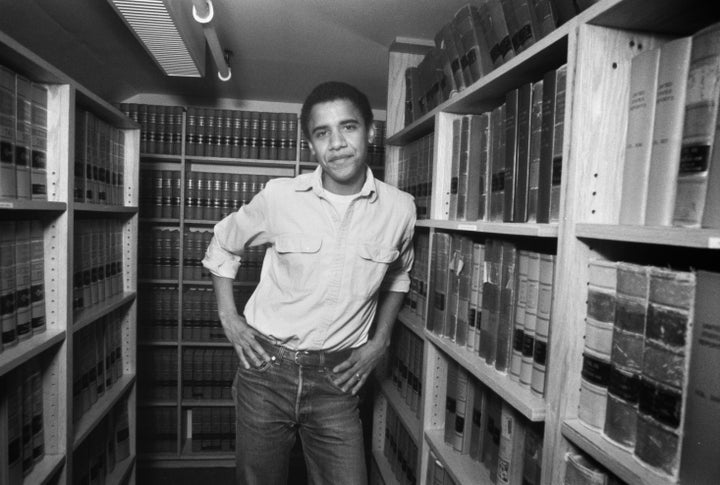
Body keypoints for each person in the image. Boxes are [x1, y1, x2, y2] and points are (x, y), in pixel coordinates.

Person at [201, 81, 416, 485]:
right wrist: (229, 320)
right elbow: (222, 245)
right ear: (311, 146)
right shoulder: (280, 197)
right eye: (322, 133)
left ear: (369, 132)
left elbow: (399, 276)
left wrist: (380, 341)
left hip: (339, 378)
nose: (337, 143)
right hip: (266, 370)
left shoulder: (400, 209)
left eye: (348, 127)